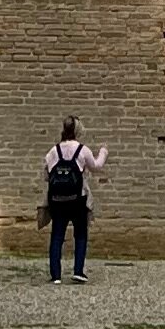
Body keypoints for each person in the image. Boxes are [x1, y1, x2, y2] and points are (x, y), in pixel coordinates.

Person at [41, 119, 107, 281]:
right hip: (77, 199)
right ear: (78, 131)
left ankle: (56, 275)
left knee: (57, 235)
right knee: (81, 234)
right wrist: (104, 152)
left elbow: (46, 175)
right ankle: (78, 271)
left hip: (57, 199)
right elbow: (96, 166)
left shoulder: (54, 151)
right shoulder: (82, 150)